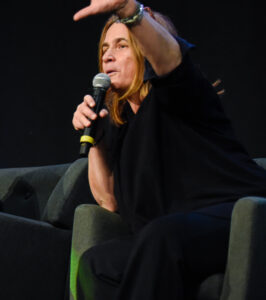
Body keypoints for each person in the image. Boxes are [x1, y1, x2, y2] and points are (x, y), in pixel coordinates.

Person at [71, 1, 266, 299]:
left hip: (239, 215)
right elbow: (108, 201)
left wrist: (128, 9)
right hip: (173, 234)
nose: (108, 56)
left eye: (122, 45)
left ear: (144, 51)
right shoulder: (121, 126)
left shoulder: (179, 94)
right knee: (97, 263)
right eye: (104, 49)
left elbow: (169, 58)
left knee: (161, 237)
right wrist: (96, 139)